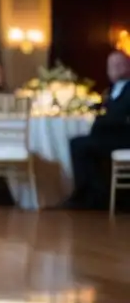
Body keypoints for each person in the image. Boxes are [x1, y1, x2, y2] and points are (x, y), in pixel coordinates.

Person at [59, 50, 130, 210]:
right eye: (111, 66)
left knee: (79, 145)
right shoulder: (113, 89)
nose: (115, 69)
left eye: (119, 65)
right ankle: (95, 193)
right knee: (80, 144)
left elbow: (120, 114)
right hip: (112, 135)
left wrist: (100, 118)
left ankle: (87, 194)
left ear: (128, 66)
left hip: (122, 137)